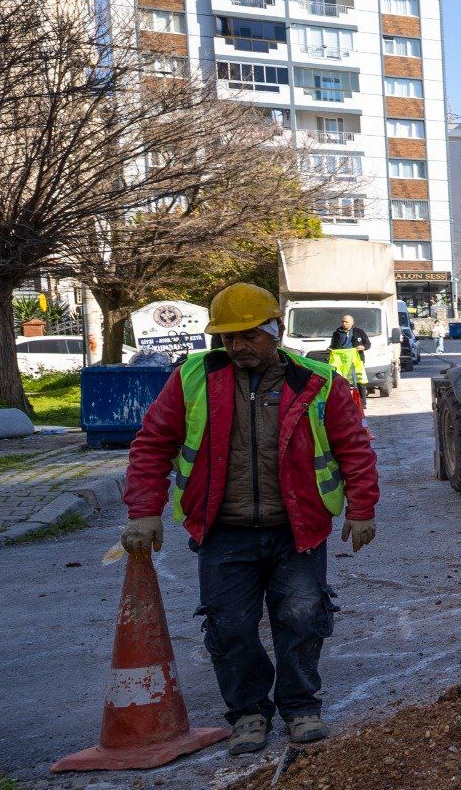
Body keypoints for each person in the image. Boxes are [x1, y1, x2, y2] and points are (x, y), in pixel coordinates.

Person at [120, 283, 380, 756]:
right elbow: (152, 444)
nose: (236, 346)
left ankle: (300, 707)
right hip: (223, 530)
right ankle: (248, 714)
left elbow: (354, 448)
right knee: (231, 626)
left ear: (274, 332)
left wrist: (362, 510)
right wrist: (144, 513)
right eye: (226, 337)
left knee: (302, 618)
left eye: (247, 336)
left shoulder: (318, 381)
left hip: (296, 529)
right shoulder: (193, 377)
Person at [326, 312, 370, 388]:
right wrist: (330, 349)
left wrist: (362, 347)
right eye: (343, 321)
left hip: (356, 360)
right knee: (342, 381)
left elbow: (368, 344)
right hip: (342, 361)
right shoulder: (336, 333)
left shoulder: (359, 332)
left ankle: (362, 400)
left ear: (352, 323)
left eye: (346, 322)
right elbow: (333, 345)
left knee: (359, 380)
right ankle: (346, 398)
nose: (344, 323)